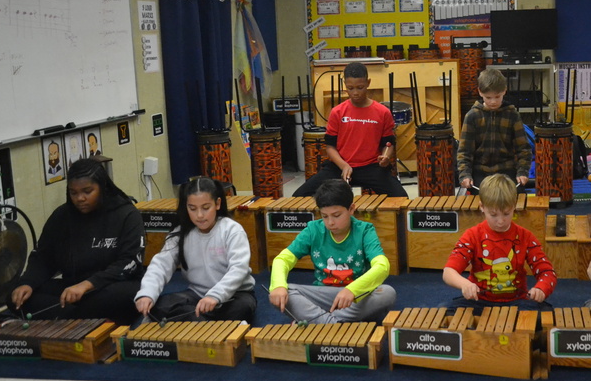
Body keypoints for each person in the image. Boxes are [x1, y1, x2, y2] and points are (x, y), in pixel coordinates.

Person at [10, 159, 146, 324]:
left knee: (131, 293)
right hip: (71, 289)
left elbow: (130, 262)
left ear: (102, 188)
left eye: (87, 191)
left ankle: (65, 317)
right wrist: (28, 283)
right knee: (16, 295)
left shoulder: (127, 214)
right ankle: (83, 318)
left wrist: (88, 285)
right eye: (73, 193)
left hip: (108, 287)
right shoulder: (61, 216)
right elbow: (43, 258)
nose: (80, 198)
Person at [268, 179, 396, 324]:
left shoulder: (365, 230)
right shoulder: (313, 230)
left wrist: (352, 291)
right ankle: (336, 322)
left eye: (336, 215)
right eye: (324, 216)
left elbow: (382, 266)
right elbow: (283, 259)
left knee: (386, 293)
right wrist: (278, 286)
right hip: (323, 295)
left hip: (354, 297)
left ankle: (319, 321)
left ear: (351, 209)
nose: (330, 223)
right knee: (283, 292)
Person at [135, 177, 256, 323]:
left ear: (217, 204)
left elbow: (238, 269)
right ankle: (207, 323)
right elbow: (160, 265)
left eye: (206, 208)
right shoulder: (181, 233)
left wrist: (215, 296)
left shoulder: (232, 230)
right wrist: (147, 293)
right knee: (159, 305)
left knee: (242, 308)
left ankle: (195, 321)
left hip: (233, 295)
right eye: (192, 208)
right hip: (196, 295)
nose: (199, 215)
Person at [292, 61, 408, 197]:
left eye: (360, 87)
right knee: (299, 196)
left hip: (370, 167)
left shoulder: (382, 112)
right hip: (340, 166)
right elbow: (330, 147)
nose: (355, 93)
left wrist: (386, 157)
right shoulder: (337, 112)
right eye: (350, 88)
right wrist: (344, 166)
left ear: (368, 83)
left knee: (402, 198)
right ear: (344, 85)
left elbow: (388, 143)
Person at [443, 173, 557, 309]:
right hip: (479, 301)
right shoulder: (472, 235)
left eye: (506, 213)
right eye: (493, 214)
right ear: (482, 207)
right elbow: (449, 272)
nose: (500, 221)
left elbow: (547, 272)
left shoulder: (525, 236)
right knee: (443, 313)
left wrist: (541, 289)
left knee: (545, 316)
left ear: (514, 206)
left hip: (517, 301)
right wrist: (465, 284)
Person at [457, 67, 531, 190]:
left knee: (512, 205)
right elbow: (464, 151)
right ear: (480, 92)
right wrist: (465, 174)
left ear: (504, 91)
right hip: (480, 173)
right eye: (488, 97)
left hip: (507, 172)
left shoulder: (512, 115)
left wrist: (522, 172)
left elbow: (523, 148)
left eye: (497, 97)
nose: (493, 102)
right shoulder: (472, 116)